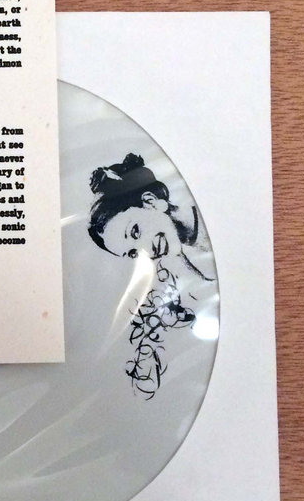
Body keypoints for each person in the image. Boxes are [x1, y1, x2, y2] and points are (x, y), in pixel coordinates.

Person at [87, 153, 213, 397]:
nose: (145, 252)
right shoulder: (183, 256)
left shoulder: (213, 225)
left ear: (151, 202)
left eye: (135, 232)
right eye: (133, 253)